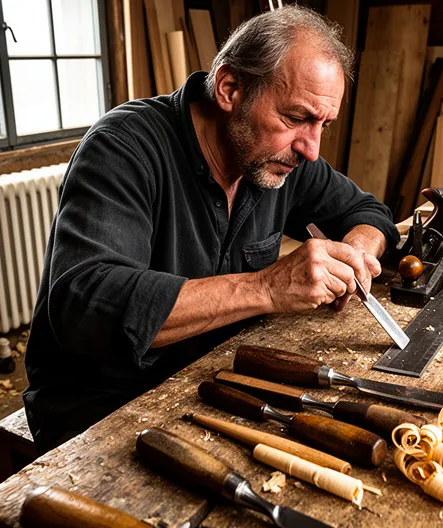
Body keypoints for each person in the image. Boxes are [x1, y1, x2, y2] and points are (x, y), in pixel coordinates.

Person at [23, 5, 400, 453]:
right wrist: (268, 287)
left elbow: (367, 211)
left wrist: (357, 252)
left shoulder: (277, 159)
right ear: (230, 89)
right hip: (104, 401)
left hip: (212, 375)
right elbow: (87, 305)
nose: (311, 148)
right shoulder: (123, 147)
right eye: (296, 118)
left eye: (324, 125)